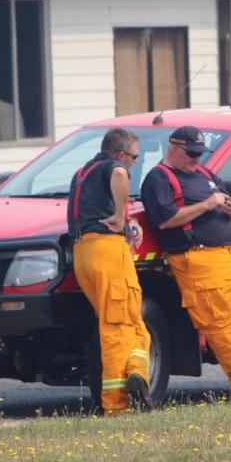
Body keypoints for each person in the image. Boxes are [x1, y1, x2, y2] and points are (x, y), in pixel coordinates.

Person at [141, 126, 231, 401]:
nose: (196, 160)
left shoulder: (205, 174)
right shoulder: (159, 179)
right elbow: (165, 220)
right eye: (191, 154)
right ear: (174, 149)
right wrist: (206, 204)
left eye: (200, 154)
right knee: (226, 329)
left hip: (229, 258)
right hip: (200, 260)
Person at [67, 127, 151, 415]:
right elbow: (118, 175)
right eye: (134, 157)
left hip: (83, 254)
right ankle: (117, 405)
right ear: (119, 154)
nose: (134, 163)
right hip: (106, 253)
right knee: (117, 326)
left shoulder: (82, 173)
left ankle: (137, 372)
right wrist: (119, 215)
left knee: (132, 321)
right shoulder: (113, 167)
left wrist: (127, 224)